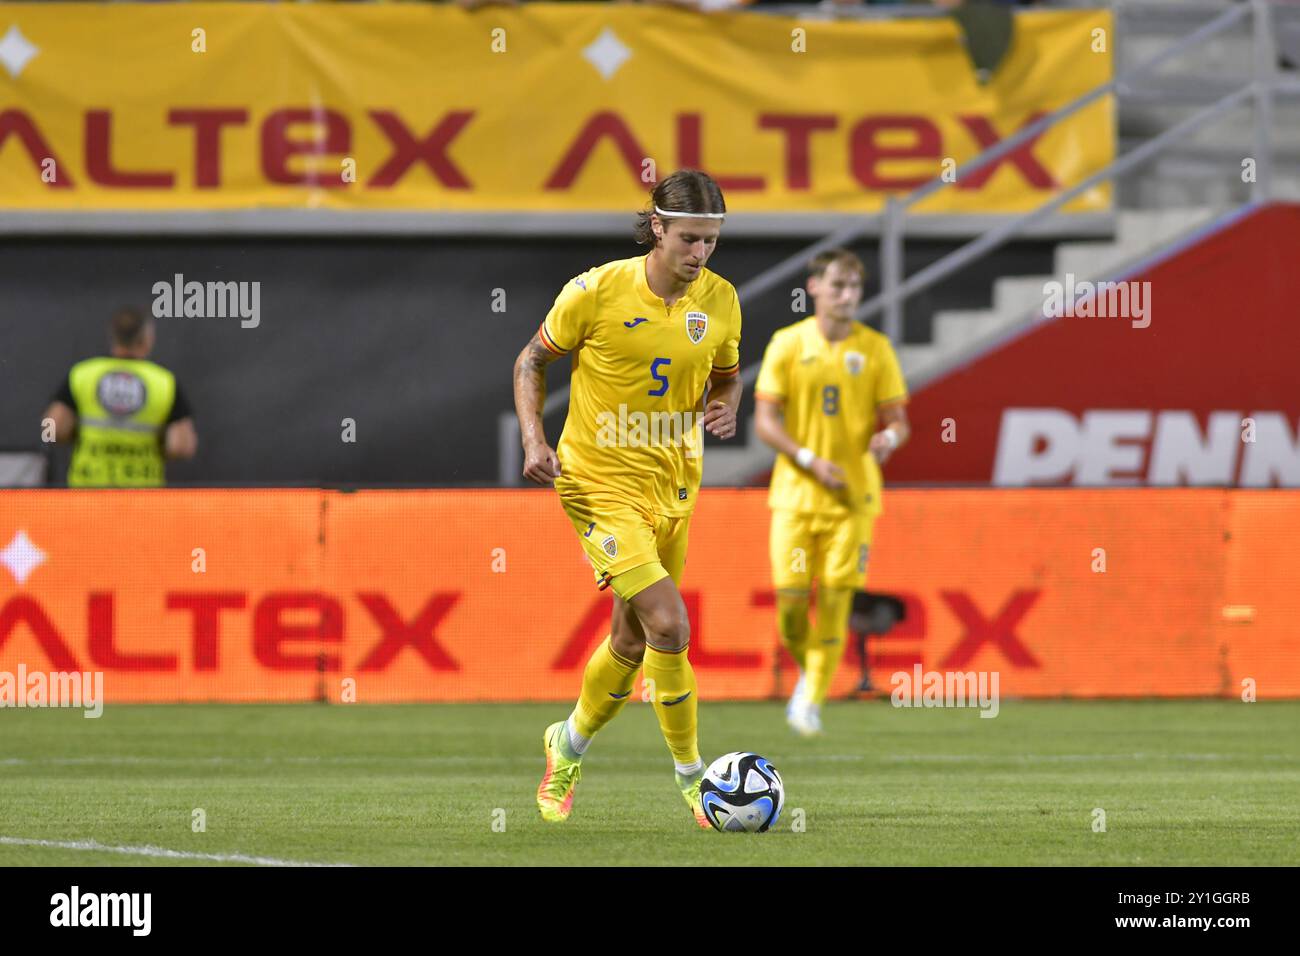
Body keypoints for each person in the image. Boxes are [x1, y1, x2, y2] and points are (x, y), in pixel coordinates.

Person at [512, 169, 742, 827]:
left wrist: (725, 408)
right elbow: (531, 360)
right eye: (689, 240)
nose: (700, 255)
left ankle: (568, 744)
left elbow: (726, 379)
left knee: (633, 643)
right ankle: (698, 783)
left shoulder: (720, 301)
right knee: (670, 624)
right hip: (596, 484)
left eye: (711, 242)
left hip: (673, 487)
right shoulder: (596, 290)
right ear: (658, 228)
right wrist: (535, 440)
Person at [753, 248, 909, 736]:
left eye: (855, 287)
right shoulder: (787, 344)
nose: (847, 296)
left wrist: (889, 438)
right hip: (796, 497)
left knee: (837, 603)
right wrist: (809, 460)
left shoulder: (876, 348)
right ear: (814, 287)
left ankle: (810, 699)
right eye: (838, 285)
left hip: (853, 499)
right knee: (792, 612)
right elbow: (764, 420)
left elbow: (899, 421)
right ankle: (811, 674)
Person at [43, 307, 197, 487]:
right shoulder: (163, 382)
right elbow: (181, 446)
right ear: (147, 339)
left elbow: (50, 429)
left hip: (87, 491)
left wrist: (70, 435)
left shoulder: (83, 374)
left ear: (113, 338)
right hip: (143, 494)